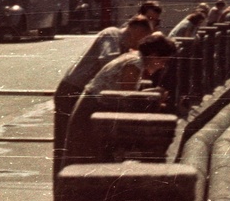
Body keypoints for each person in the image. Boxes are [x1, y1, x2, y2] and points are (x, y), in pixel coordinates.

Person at [61, 34, 178, 175]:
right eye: (163, 61)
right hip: (91, 112)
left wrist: (153, 92)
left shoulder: (133, 57)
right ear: (154, 55)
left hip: (96, 109)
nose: (162, 66)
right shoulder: (134, 64)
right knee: (85, 160)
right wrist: (154, 97)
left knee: (87, 160)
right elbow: (127, 96)